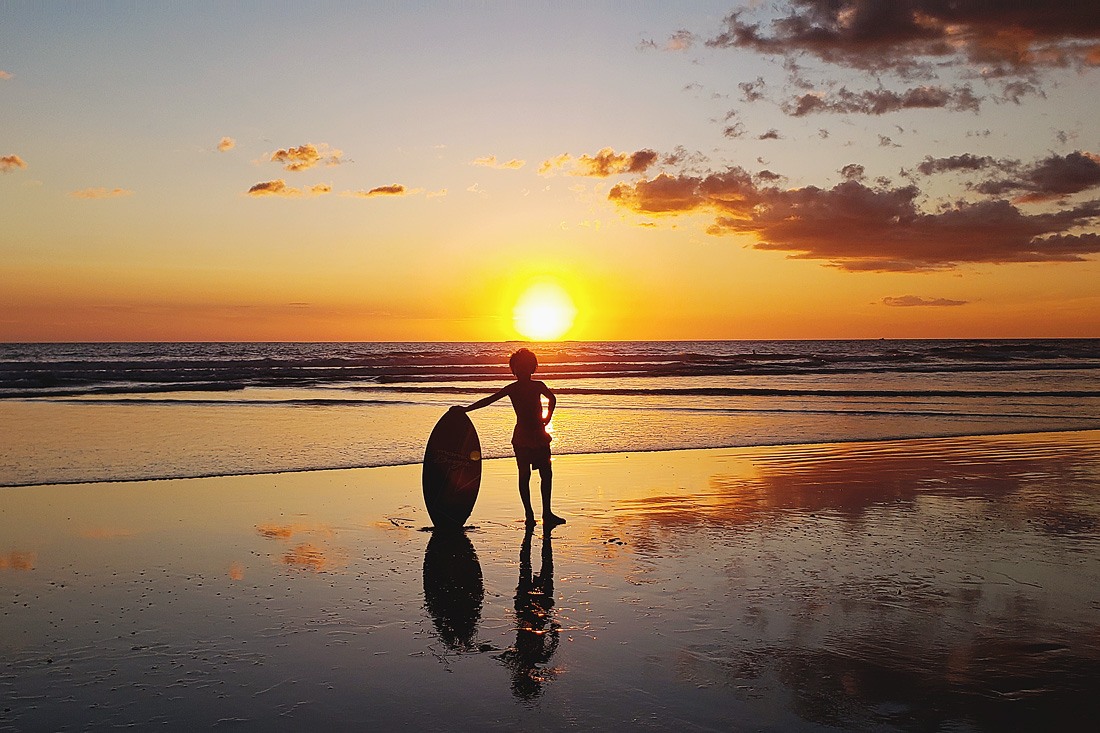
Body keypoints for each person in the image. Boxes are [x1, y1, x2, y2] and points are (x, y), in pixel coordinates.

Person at [459, 348, 564, 527]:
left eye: (525, 367)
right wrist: (466, 409)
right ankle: (529, 515)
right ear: (514, 370)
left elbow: (552, 399)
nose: (522, 371)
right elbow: (488, 400)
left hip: (539, 435)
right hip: (522, 437)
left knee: (546, 474)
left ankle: (547, 513)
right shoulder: (512, 389)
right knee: (524, 475)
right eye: (518, 368)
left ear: (532, 368)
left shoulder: (538, 385)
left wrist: (548, 417)